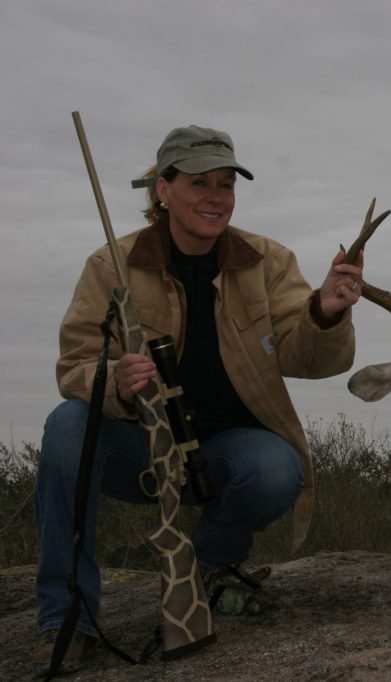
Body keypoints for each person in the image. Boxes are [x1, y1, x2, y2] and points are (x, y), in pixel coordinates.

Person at [34, 125, 365, 666]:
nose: (216, 197)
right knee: (66, 427)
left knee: (276, 468)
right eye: (199, 182)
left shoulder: (269, 260)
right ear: (162, 189)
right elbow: (74, 366)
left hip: (226, 454)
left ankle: (203, 571)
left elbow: (311, 360)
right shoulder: (108, 265)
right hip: (140, 451)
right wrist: (114, 379)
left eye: (226, 184)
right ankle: (65, 617)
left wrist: (326, 311)